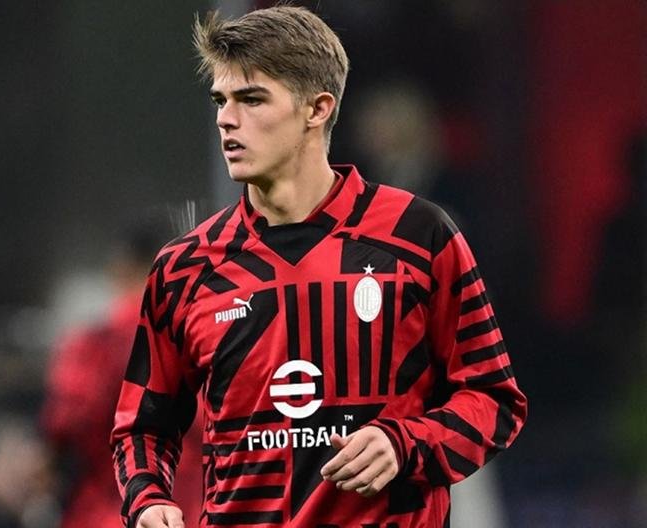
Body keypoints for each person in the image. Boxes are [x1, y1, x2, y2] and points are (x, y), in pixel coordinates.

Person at [111, 6, 527, 527]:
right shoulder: (185, 268)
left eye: (252, 99)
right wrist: (148, 499)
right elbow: (142, 427)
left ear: (317, 108)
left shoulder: (418, 236)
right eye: (221, 100)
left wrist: (406, 444)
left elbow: (493, 399)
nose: (226, 119)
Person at [41, 218, 203, 526]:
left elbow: (63, 426)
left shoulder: (94, 346)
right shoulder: (210, 341)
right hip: (196, 515)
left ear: (120, 269)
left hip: (112, 514)